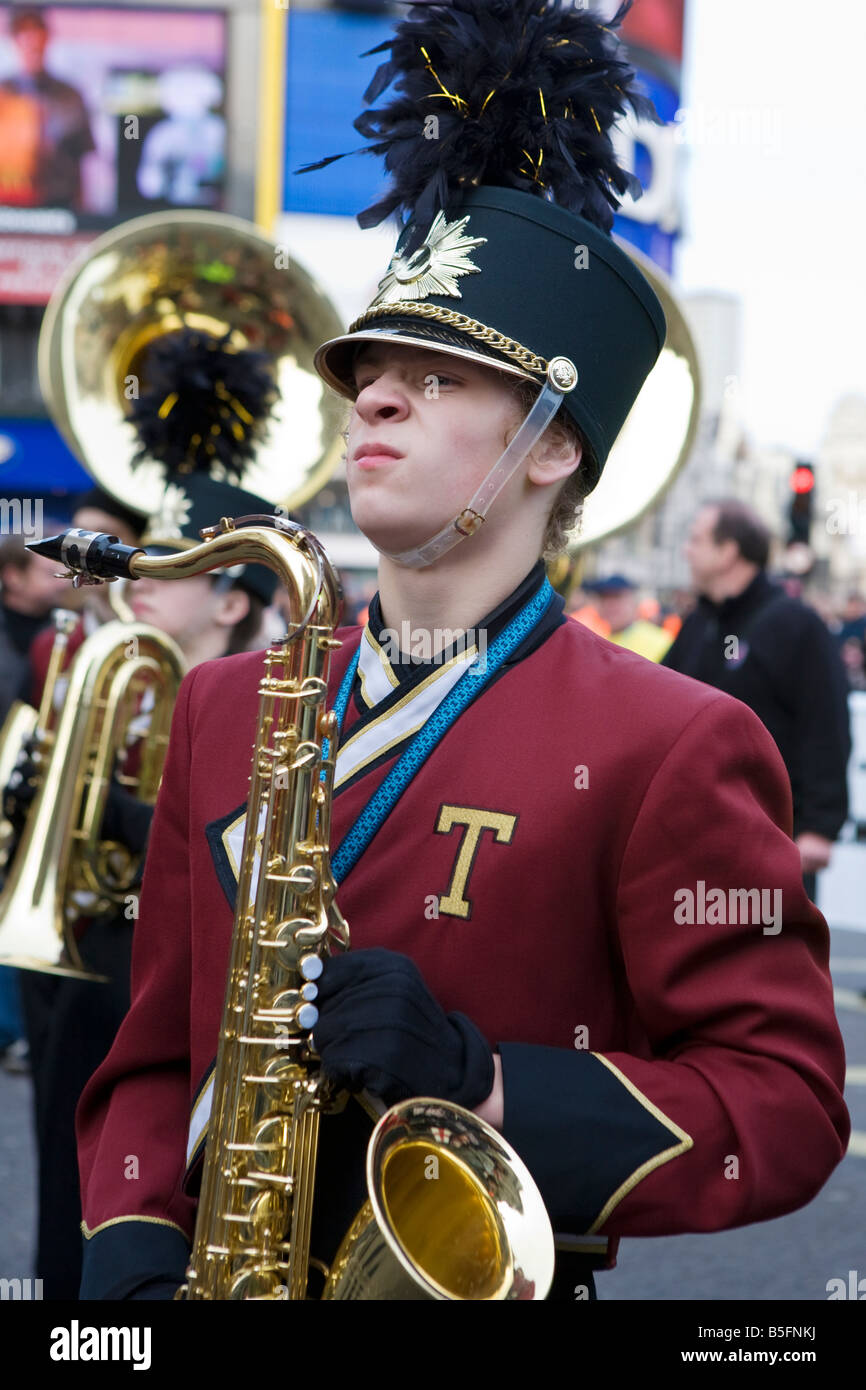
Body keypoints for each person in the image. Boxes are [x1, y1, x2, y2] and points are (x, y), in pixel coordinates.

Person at [74, 0, 848, 1302]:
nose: (372, 391)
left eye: (437, 374)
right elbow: (151, 1060)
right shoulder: (219, 704)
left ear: (552, 442)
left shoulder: (670, 743)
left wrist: (489, 1083)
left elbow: (782, 1106)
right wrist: (138, 1265)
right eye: (374, 364)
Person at [8, 473, 278, 1300]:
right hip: (88, 975)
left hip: (185, 1005)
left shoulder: (267, 702)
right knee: (65, 1195)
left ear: (232, 602)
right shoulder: (128, 673)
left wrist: (134, 818)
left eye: (171, 564)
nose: (142, 577)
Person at [663, 498, 852, 896]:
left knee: (765, 956)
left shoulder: (796, 624)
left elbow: (827, 725)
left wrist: (820, 827)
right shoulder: (699, 623)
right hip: (690, 836)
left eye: (696, 539)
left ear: (728, 551)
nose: (686, 550)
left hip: (771, 842)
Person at [0, 7, 95, 209]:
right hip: (9, 208)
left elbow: (82, 158)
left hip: (60, 206)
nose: (31, 38)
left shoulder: (71, 96)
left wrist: (84, 216)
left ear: (47, 36)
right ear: (14, 40)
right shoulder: (3, 95)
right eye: (23, 31)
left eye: (37, 29)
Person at [581, 574, 672, 661]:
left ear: (633, 601)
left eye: (616, 597)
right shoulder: (600, 638)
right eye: (603, 598)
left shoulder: (658, 641)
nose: (609, 605)